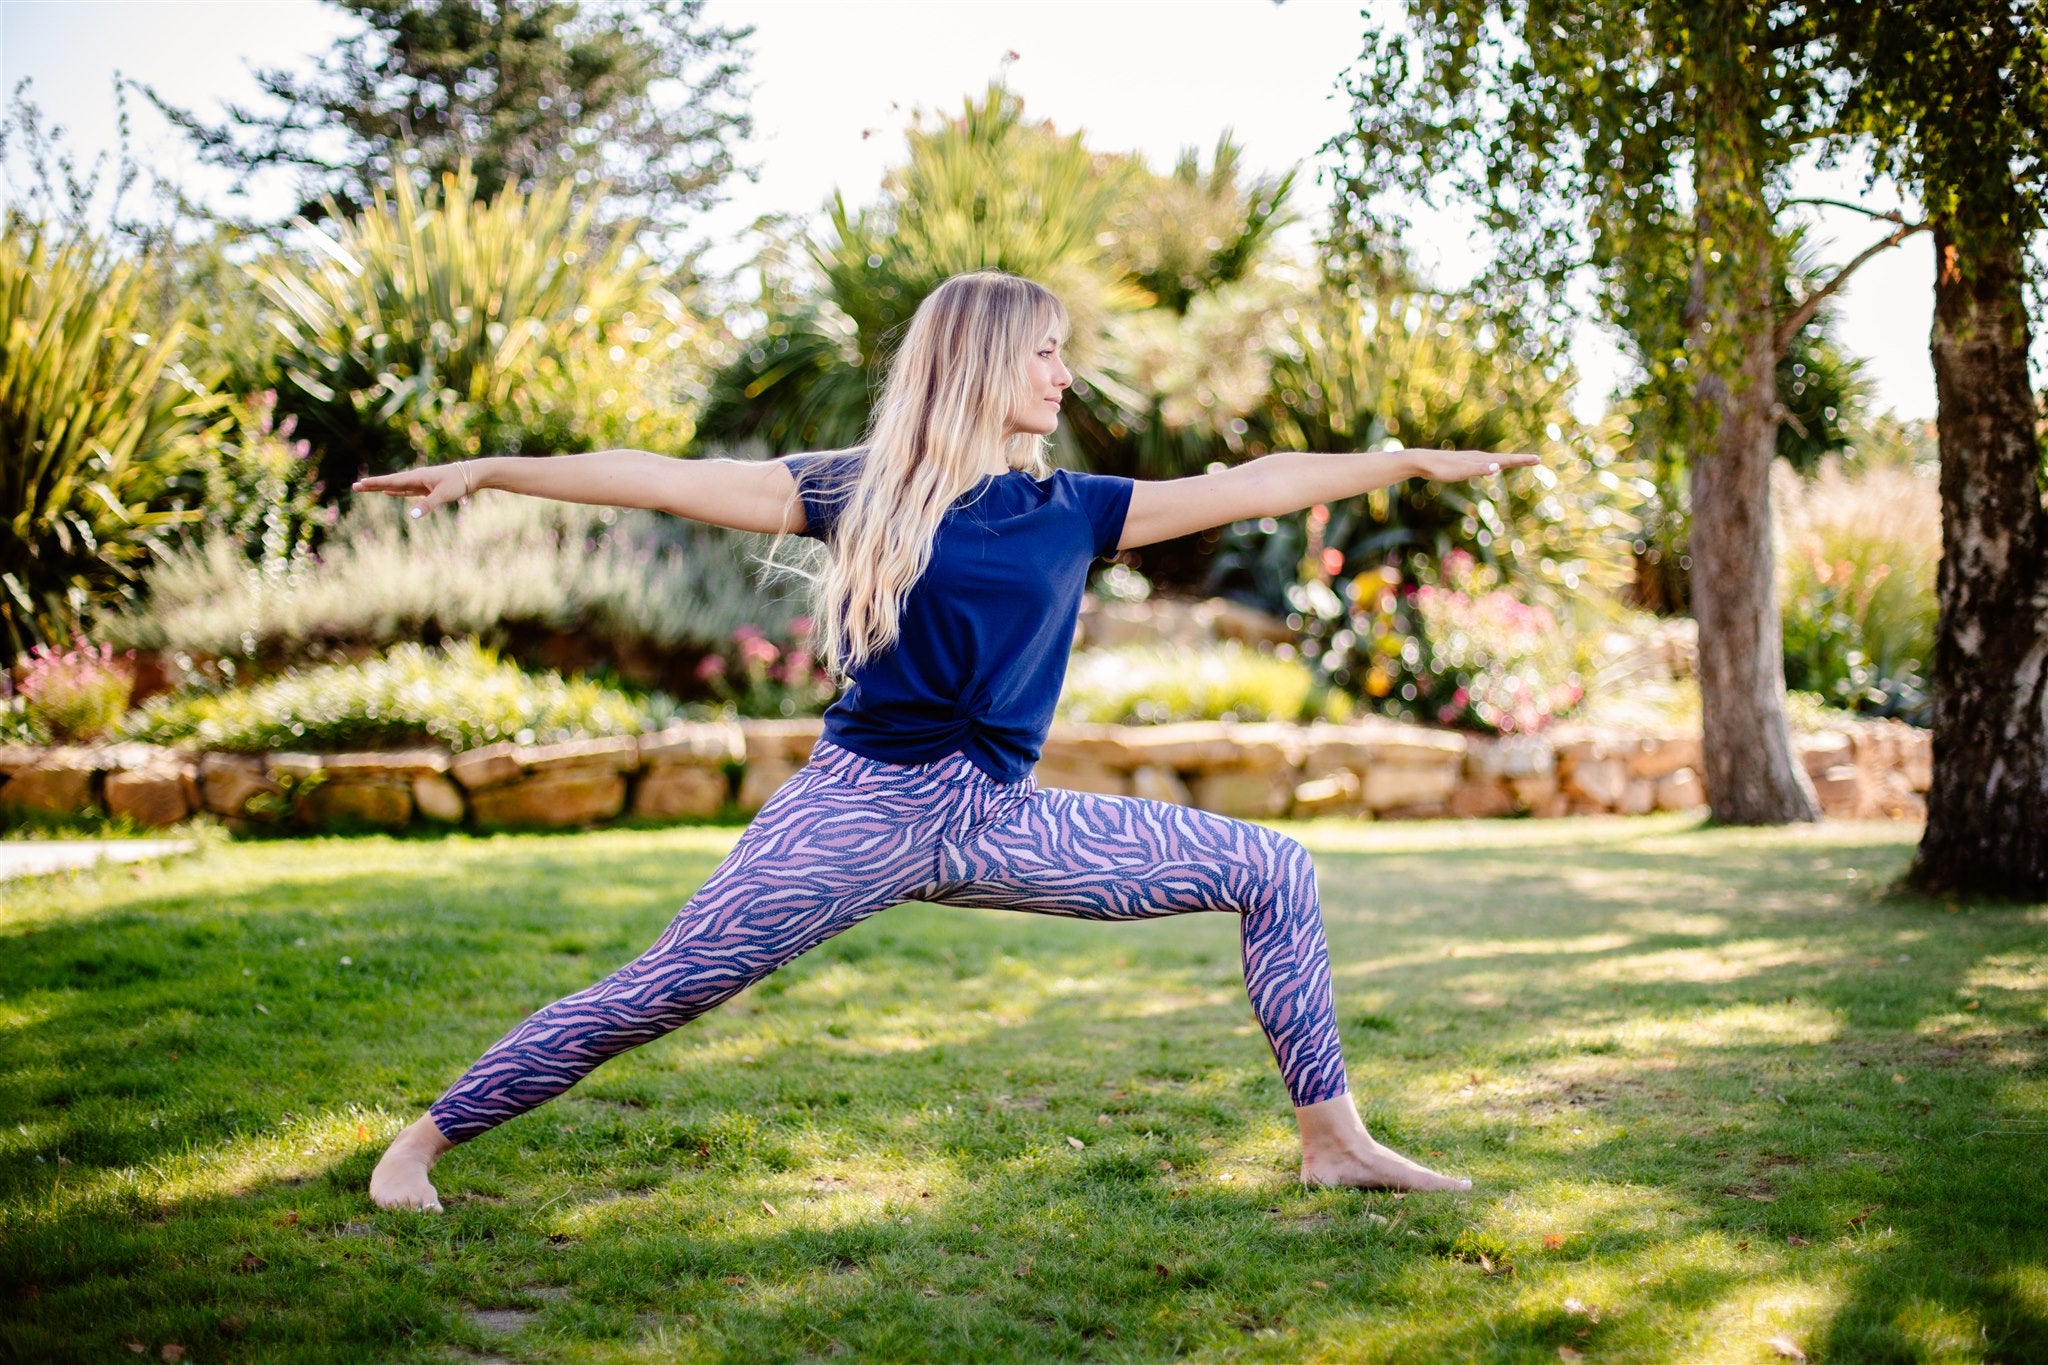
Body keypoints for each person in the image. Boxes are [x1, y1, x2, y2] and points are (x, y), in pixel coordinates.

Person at [355, 270, 1540, 1212]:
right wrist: (494, 470)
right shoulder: (859, 490)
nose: (1063, 372)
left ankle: (1331, 1144)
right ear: (982, 358)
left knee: (1272, 867)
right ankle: (418, 1145)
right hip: (858, 808)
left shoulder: (1075, 510)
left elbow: (1259, 484)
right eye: (1045, 348)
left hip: (1000, 820)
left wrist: (1405, 463)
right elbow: (662, 479)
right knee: (663, 988)